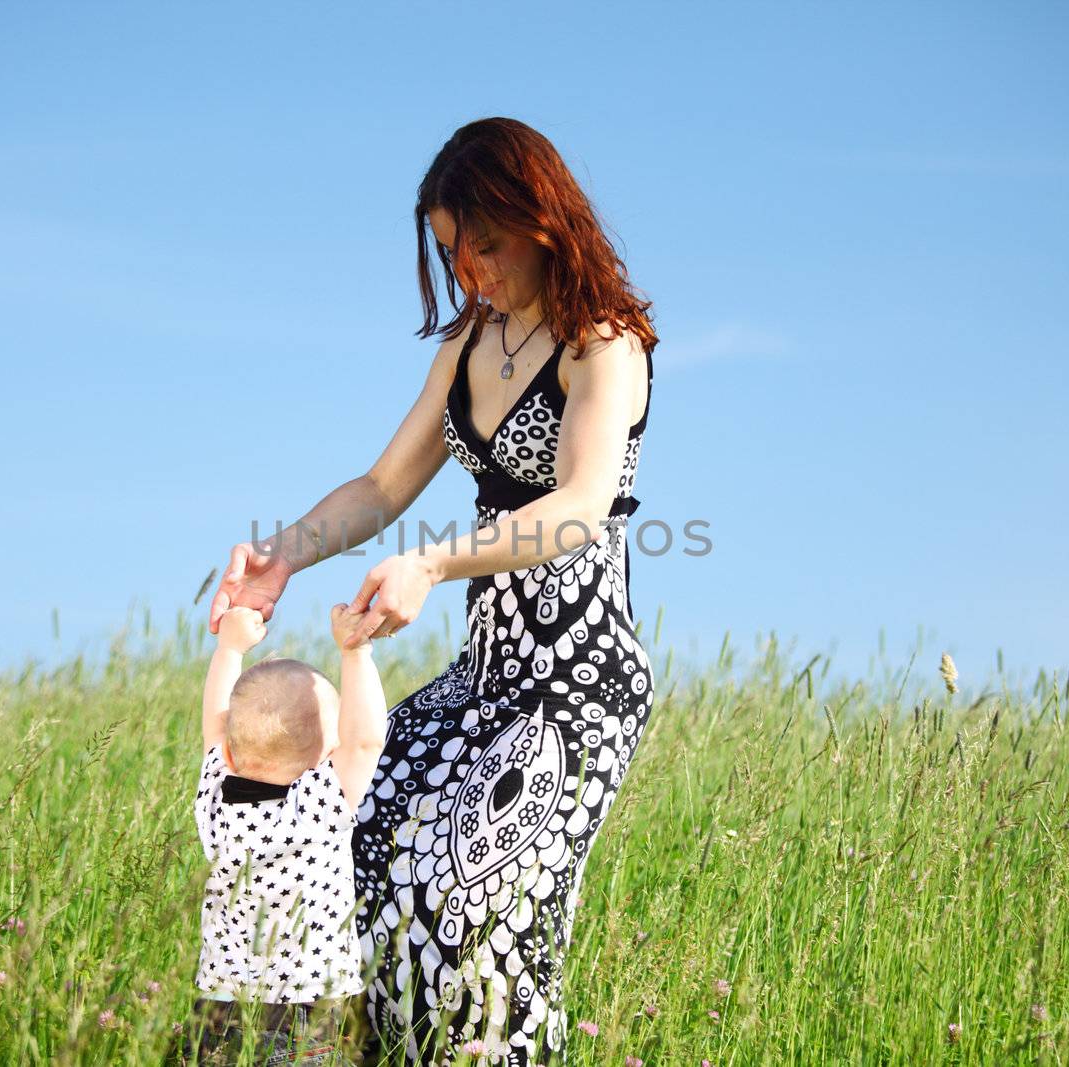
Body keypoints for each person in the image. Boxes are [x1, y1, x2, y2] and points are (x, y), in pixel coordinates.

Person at [207, 115, 659, 1065]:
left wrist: (435, 561)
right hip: (481, 678)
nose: (472, 270)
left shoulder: (602, 343)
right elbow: (381, 488)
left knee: (468, 907)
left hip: (577, 687)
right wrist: (284, 553)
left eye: (486, 244)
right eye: (454, 251)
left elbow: (579, 503)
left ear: (543, 218)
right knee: (349, 853)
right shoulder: (467, 347)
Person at [169, 604, 387, 1066]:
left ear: (230, 749)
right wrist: (355, 652)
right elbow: (366, 741)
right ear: (329, 753)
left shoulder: (217, 800)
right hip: (302, 1013)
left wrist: (229, 649)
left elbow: (215, 727)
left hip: (218, 1008)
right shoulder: (315, 805)